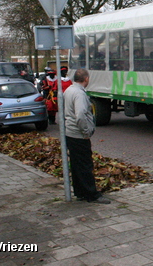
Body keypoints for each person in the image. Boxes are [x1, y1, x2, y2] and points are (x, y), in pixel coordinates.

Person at [63, 68, 111, 204]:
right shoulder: (79, 94)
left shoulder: (69, 91)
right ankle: (91, 194)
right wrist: (85, 132)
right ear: (86, 79)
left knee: (76, 165)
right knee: (85, 165)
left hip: (70, 134)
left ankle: (80, 192)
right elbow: (80, 115)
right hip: (79, 135)